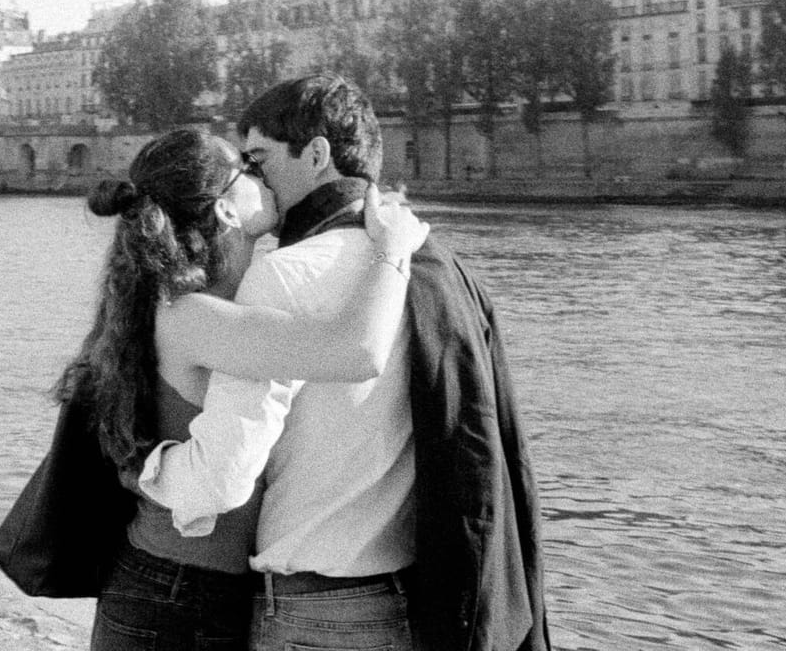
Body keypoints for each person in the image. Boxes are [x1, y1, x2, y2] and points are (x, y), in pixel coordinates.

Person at [138, 75, 551, 651]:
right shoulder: (442, 269)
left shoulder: (285, 273)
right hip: (419, 605)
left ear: (316, 154)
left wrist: (140, 466)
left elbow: (221, 480)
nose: (253, 180)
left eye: (258, 161)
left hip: (310, 610)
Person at [54, 127, 428, 651]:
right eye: (248, 170)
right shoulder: (194, 314)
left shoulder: (197, 299)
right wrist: (393, 250)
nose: (263, 174)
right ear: (226, 211)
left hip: (184, 582)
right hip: (177, 590)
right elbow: (357, 352)